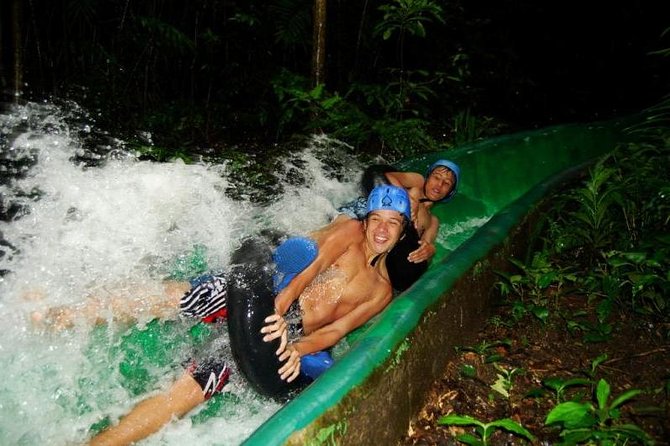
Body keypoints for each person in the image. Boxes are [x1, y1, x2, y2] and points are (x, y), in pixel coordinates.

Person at [54, 184, 411, 446]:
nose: (381, 229)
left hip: (284, 330)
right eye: (376, 219)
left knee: (193, 389)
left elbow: (336, 332)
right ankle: (64, 314)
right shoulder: (348, 232)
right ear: (364, 223)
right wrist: (279, 307)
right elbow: (310, 266)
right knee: (181, 296)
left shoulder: (380, 291)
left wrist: (297, 350)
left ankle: (100, 443)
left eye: (392, 223)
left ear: (403, 230)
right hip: (269, 290)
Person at [341, 159, 460, 291]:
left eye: (447, 183)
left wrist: (430, 250)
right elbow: (387, 176)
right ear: (428, 177)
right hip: (364, 216)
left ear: (450, 192)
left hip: (389, 250)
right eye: (436, 177)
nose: (439, 184)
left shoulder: (433, 221)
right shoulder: (417, 183)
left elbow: (425, 245)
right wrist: (408, 200)